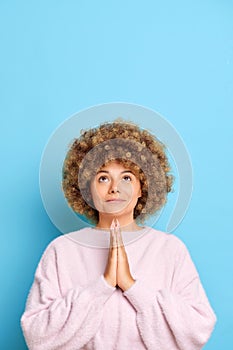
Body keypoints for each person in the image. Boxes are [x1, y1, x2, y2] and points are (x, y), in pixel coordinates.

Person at [21, 120, 216, 349]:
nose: (114, 188)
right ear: (86, 188)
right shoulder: (61, 250)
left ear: (142, 186)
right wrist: (102, 285)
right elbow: (36, 335)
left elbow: (197, 330)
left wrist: (130, 284)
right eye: (103, 177)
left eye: (126, 177)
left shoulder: (170, 249)